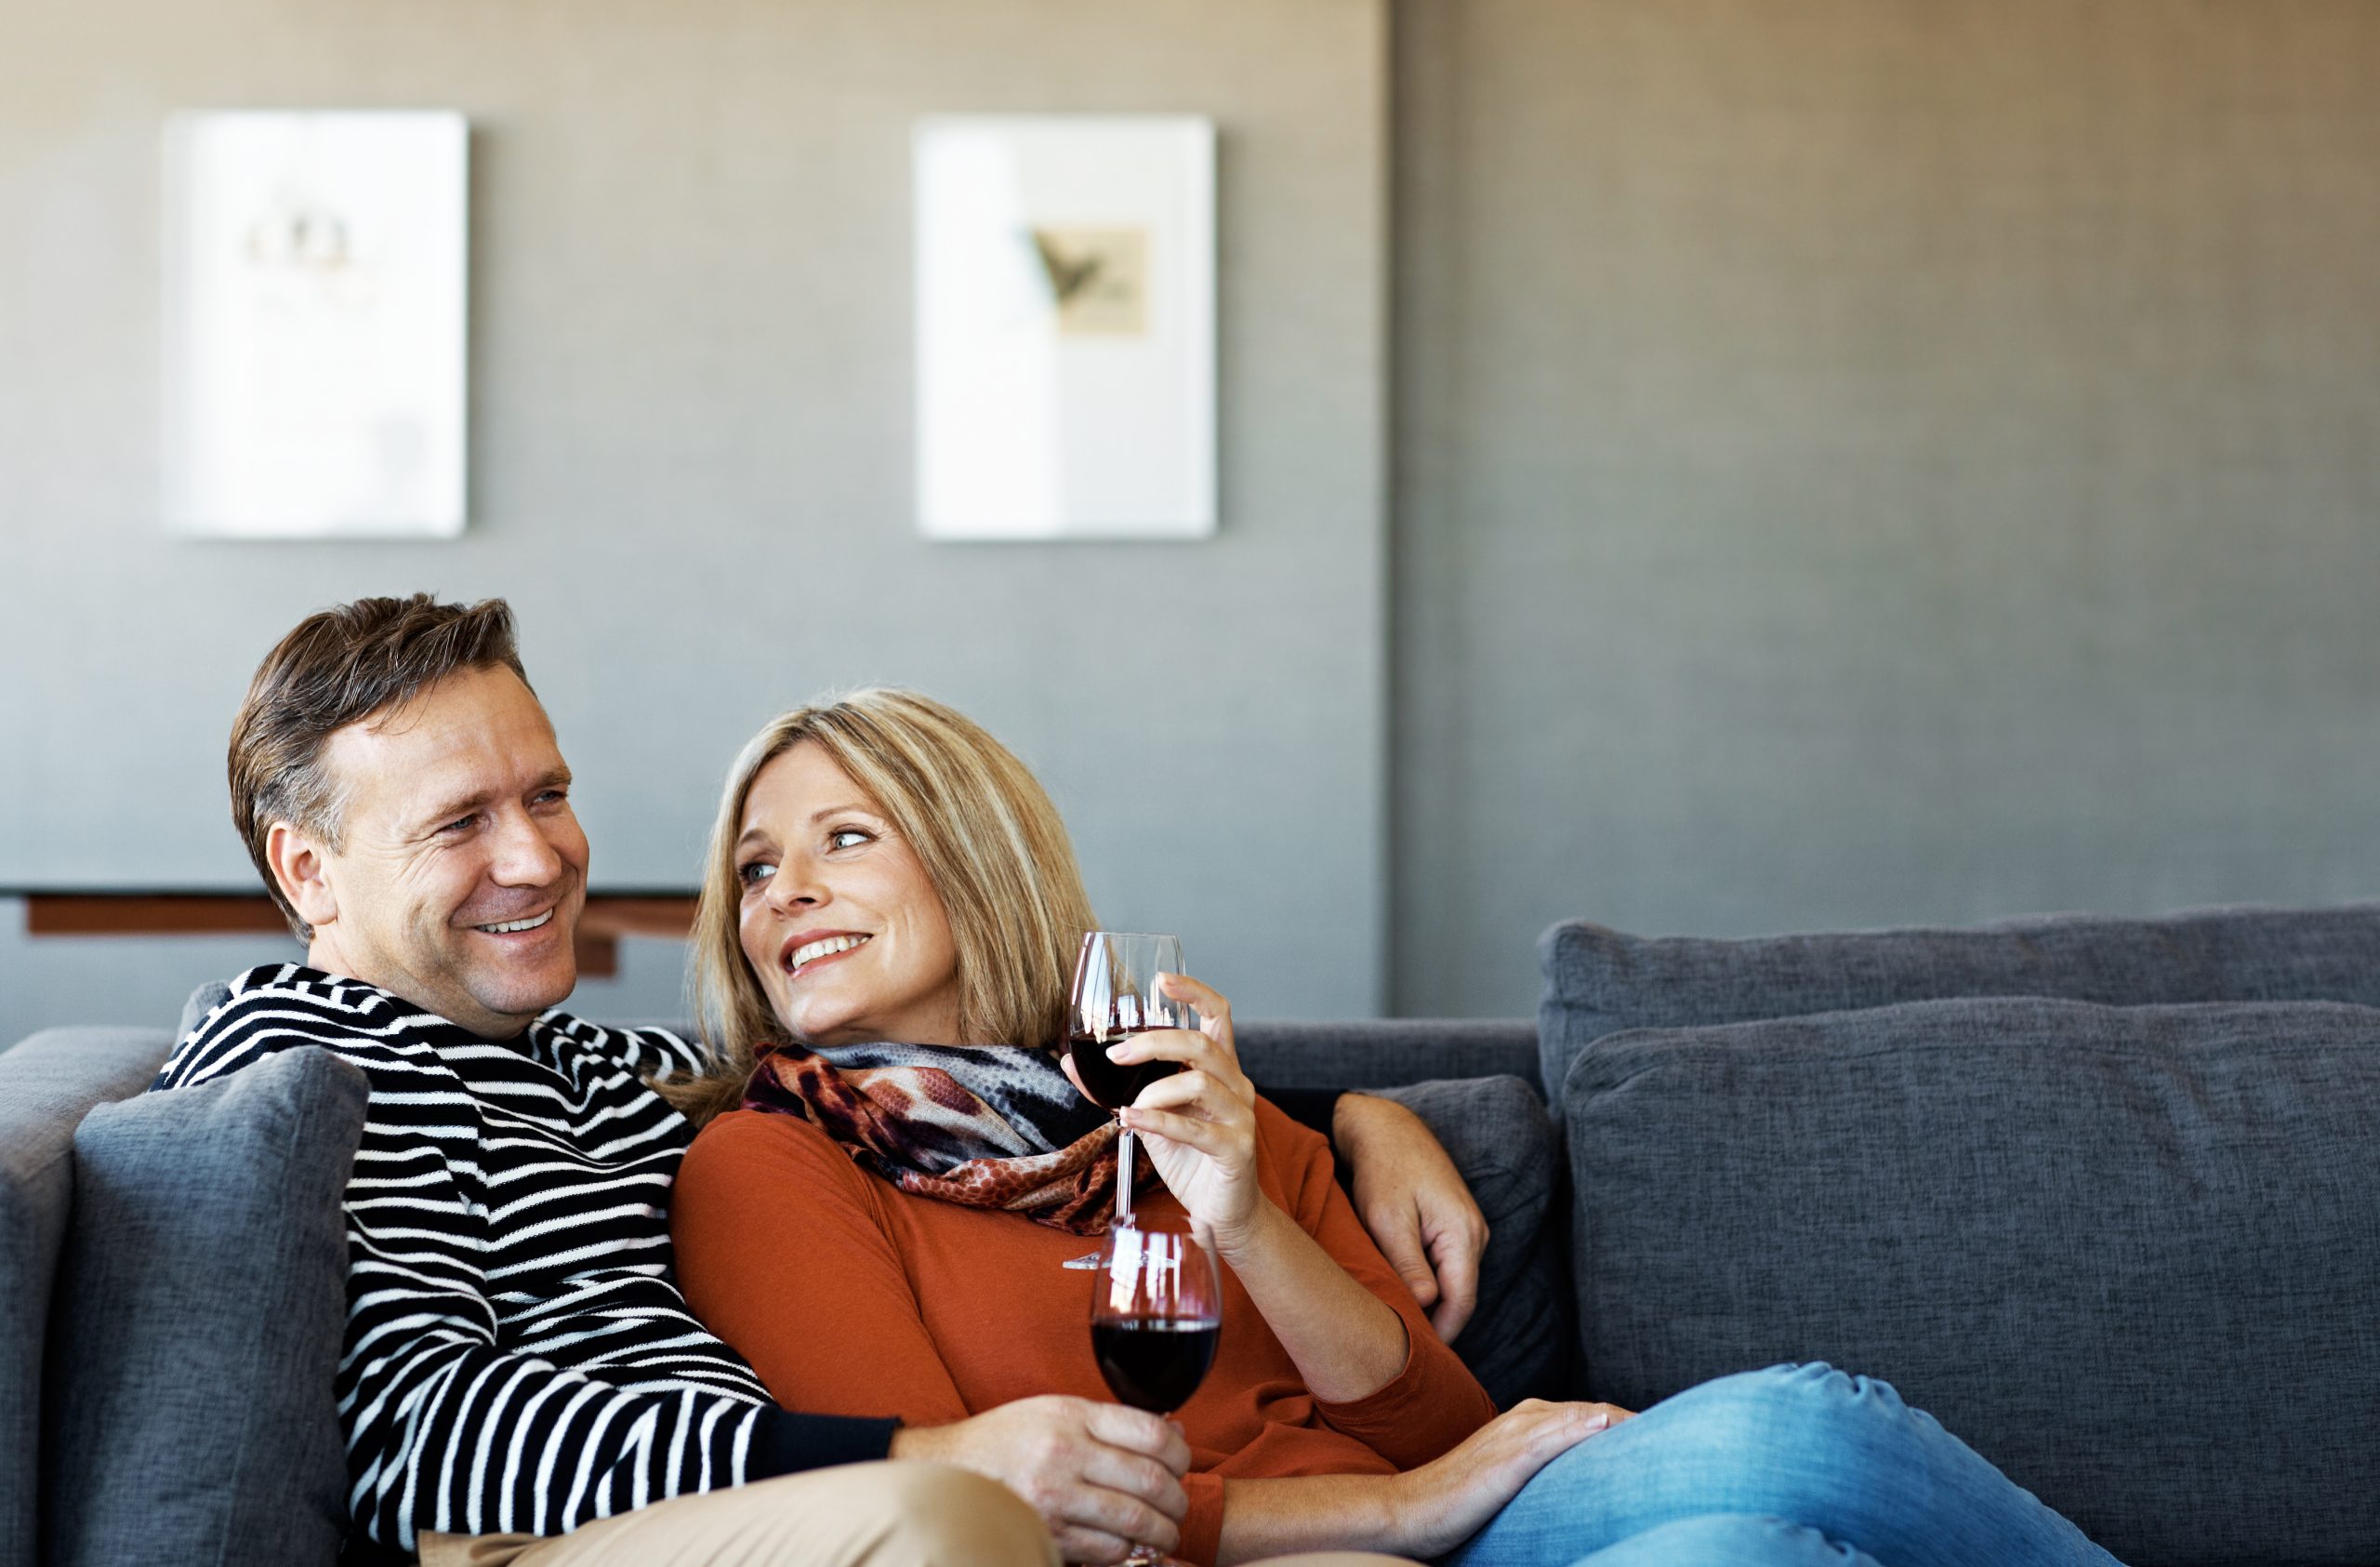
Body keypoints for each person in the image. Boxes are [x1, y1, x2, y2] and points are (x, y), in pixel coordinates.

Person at [155, 595, 1486, 1567]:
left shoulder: (598, 1067)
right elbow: (427, 1444)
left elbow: (897, 1085)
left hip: (760, 1510)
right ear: (308, 872)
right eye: (461, 821)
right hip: (529, 1545)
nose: (540, 857)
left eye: (545, 795)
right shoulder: (300, 1070)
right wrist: (909, 1457)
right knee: (955, 1519)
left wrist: (1372, 1119)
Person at [668, 689, 2131, 1567]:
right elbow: (967, 1515)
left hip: (1433, 1538)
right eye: (752, 867)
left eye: (841, 838)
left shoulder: (1192, 1104)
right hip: (1355, 1545)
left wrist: (1245, 1203)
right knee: (1780, 1443)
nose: (782, 889)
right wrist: (1418, 1510)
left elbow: (1433, 1421)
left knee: (1741, 1538)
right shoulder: (774, 1163)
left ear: (977, 855)